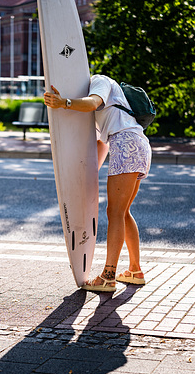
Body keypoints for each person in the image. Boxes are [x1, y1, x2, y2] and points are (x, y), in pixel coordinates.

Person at [44, 74, 152, 292]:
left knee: (114, 212)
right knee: (122, 212)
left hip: (126, 143)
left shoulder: (99, 80)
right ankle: (134, 270)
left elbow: (93, 102)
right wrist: (85, 174)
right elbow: (101, 144)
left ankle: (108, 276)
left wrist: (63, 102)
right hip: (137, 144)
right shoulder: (107, 110)